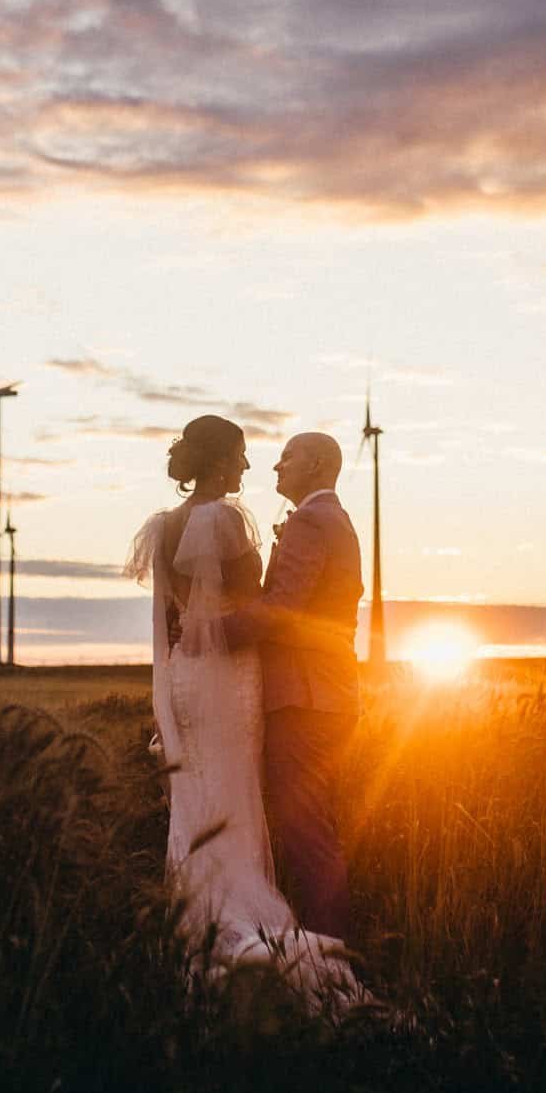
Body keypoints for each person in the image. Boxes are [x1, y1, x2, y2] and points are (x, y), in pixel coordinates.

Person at [126, 416, 359, 999]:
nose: (258, 467)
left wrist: (193, 647)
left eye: (278, 457)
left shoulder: (163, 526)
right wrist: (216, 639)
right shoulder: (228, 520)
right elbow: (271, 609)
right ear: (221, 461)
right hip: (230, 676)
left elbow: (171, 625)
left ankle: (201, 919)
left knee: (202, 797)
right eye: (246, 456)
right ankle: (308, 944)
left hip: (187, 676)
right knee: (242, 796)